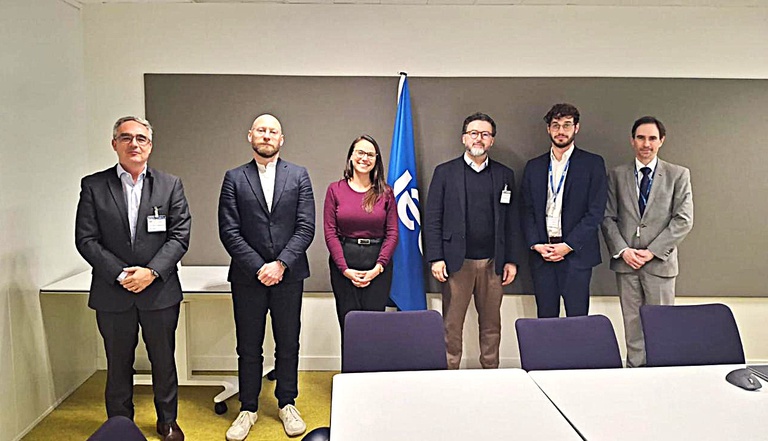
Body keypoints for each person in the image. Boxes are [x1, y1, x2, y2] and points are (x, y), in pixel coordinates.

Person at [75, 116, 191, 441]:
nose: (134, 144)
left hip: (160, 292)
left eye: (141, 138)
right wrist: (122, 273)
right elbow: (86, 239)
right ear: (115, 144)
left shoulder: (170, 185)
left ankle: (167, 421)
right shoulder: (94, 186)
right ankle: (120, 425)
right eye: (126, 138)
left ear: (150, 146)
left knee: (163, 360)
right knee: (118, 363)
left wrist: (151, 272)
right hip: (113, 292)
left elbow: (179, 237)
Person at [218, 114, 315, 440]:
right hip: (248, 277)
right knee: (248, 346)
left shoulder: (299, 176)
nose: (267, 135)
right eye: (261, 130)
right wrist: (260, 266)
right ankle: (248, 408)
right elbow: (229, 231)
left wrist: (281, 264)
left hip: (289, 275)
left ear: (281, 139)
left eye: (273, 131)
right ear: (250, 136)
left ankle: (287, 403)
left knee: (288, 344)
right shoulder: (234, 178)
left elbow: (306, 227)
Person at [424, 112, 518, 370]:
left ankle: (490, 375)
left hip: (493, 264)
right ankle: (449, 374)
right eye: (474, 133)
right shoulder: (445, 173)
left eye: (485, 134)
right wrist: (436, 257)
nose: (479, 138)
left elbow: (512, 221)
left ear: (492, 141)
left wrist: (511, 260)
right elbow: (432, 218)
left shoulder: (504, 175)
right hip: (456, 264)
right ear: (464, 138)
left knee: (491, 327)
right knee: (451, 326)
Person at [601, 116, 694, 367]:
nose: (646, 144)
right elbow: (607, 218)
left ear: (661, 141)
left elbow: (683, 220)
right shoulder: (617, 175)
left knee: (663, 328)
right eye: (641, 138)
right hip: (627, 264)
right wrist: (622, 251)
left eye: (652, 138)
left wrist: (652, 252)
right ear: (632, 141)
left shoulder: (678, 175)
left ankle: (662, 374)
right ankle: (635, 373)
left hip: (660, 266)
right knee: (632, 326)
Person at [520, 103, 607, 318]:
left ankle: (576, 354)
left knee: (577, 319)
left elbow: (595, 212)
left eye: (567, 125)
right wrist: (536, 244)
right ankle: (548, 354)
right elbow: (526, 210)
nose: (561, 131)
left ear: (576, 128)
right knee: (546, 319)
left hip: (576, 254)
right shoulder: (534, 166)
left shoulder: (593, 164)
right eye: (556, 125)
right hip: (543, 254)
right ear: (548, 129)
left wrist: (568, 246)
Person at [323, 135, 398, 339]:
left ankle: (372, 371)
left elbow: (392, 233)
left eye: (371, 154)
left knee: (373, 328)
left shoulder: (386, 193)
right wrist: (344, 269)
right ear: (351, 156)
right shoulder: (335, 190)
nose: (365, 158)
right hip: (344, 263)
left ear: (376, 160)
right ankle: (350, 371)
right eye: (360, 152)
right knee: (349, 326)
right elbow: (330, 232)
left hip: (378, 264)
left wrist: (378, 267)